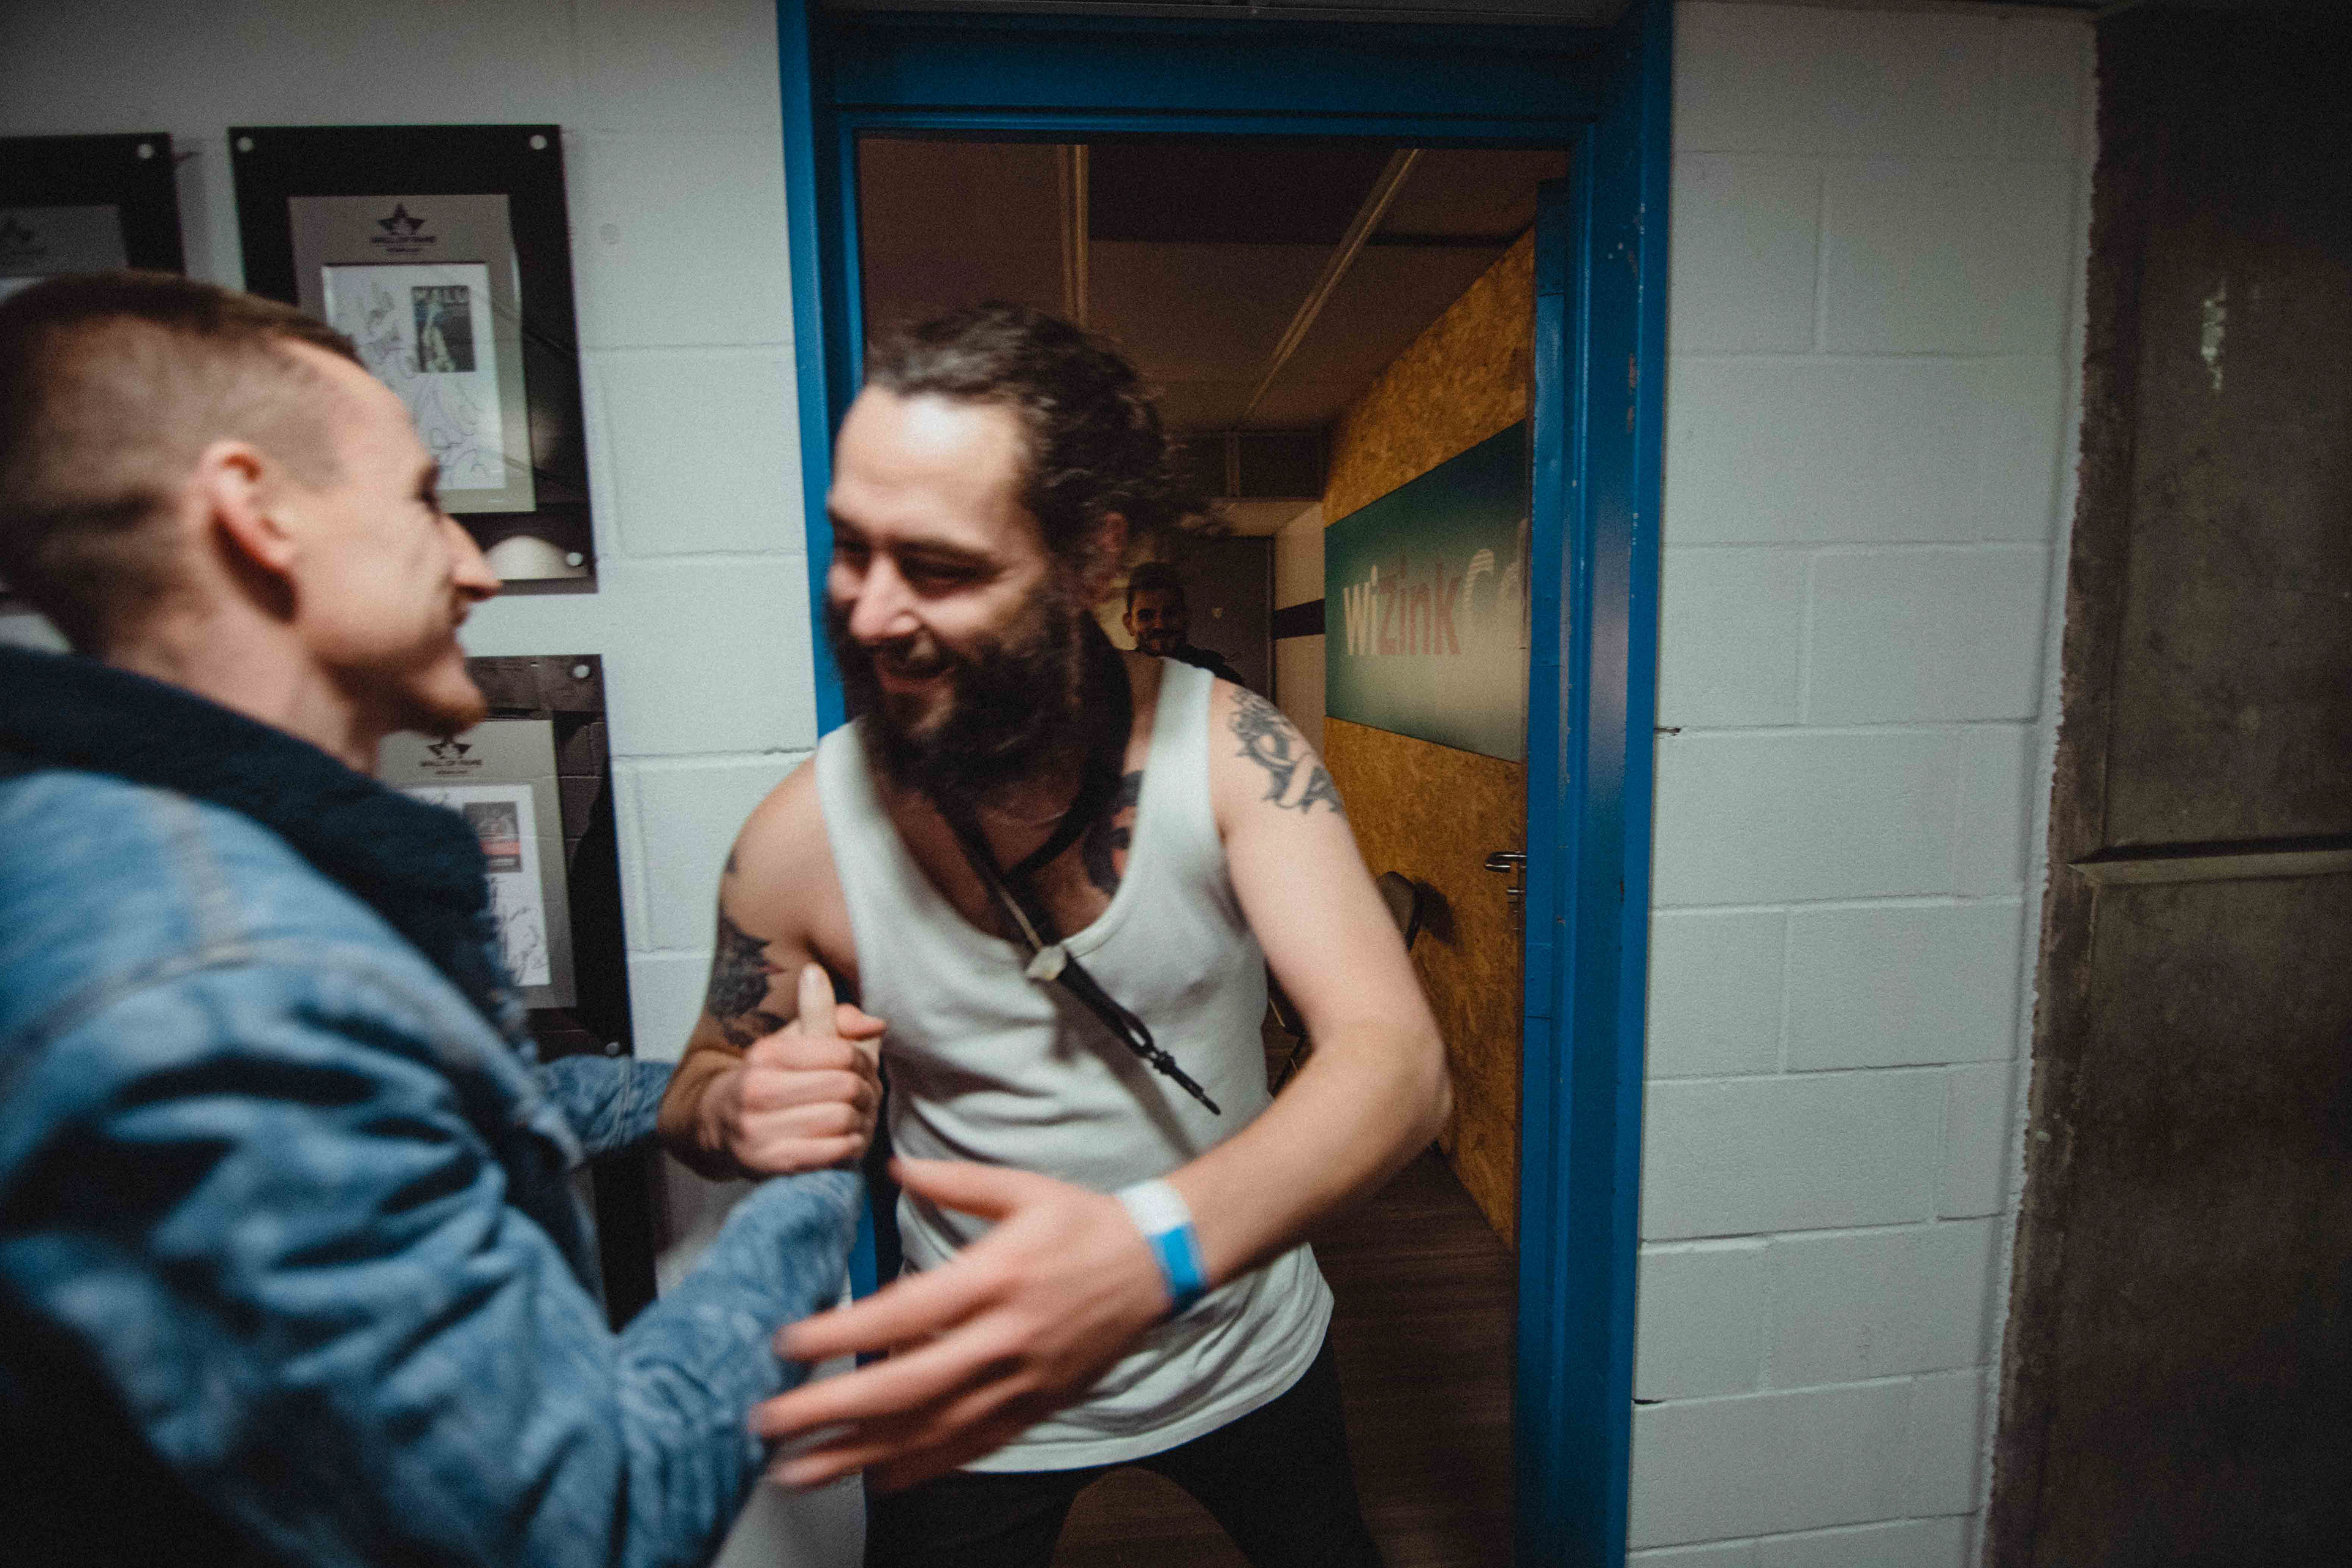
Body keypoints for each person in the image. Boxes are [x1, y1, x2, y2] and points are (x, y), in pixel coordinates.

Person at [0, 272, 882, 1568]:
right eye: (424, 501)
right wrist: (812, 1186)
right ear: (256, 511)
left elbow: (437, 1098)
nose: (476, 566)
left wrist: (702, 1098)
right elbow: (593, 1520)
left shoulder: (125, 846)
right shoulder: (226, 986)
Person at [655, 302, 1449, 1566]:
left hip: (1241, 1346)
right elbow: (693, 1086)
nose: (872, 610)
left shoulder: (1229, 751)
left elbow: (1394, 1059)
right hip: (980, 1384)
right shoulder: (803, 837)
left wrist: (1151, 1248)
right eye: (852, 550)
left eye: (941, 566)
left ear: (1093, 558)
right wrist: (739, 1107)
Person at [1121, 559, 1248, 688]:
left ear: (1186, 617)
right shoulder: (1117, 682)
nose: (1160, 625)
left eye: (1170, 614)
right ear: (1129, 624)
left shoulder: (1223, 680)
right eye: (1146, 616)